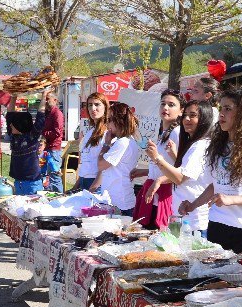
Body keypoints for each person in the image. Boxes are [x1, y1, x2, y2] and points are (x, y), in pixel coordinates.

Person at [179, 86, 242, 253]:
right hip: (217, 225)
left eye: (228, 109)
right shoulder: (217, 145)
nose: (221, 113)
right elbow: (214, 187)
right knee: (215, 278)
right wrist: (193, 205)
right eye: (221, 108)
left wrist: (232, 199)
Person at [148, 99, 213, 237]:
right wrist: (174, 156)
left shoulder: (200, 145)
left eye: (193, 115)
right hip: (183, 216)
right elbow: (186, 173)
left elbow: (179, 178)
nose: (187, 119)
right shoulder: (193, 143)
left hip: (193, 221)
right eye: (185, 115)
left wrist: (157, 158)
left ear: (205, 118)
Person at [134, 90, 183, 229]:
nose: (165, 108)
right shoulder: (164, 133)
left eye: (171, 104)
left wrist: (159, 180)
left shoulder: (177, 132)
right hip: (152, 194)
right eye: (163, 104)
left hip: (165, 195)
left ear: (181, 111)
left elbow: (182, 171)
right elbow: (161, 165)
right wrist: (143, 171)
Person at [87, 101, 140, 216]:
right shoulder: (124, 141)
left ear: (119, 121)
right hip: (117, 200)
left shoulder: (123, 142)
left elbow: (101, 165)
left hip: (120, 203)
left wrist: (106, 144)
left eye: (110, 120)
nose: (107, 124)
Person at [3, 91, 48, 195]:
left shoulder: (32, 136)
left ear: (19, 125)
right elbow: (9, 115)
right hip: (18, 182)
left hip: (33, 184)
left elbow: (40, 116)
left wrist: (44, 96)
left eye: (13, 124)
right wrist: (13, 96)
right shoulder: (14, 136)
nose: (10, 126)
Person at [76, 92, 109, 191]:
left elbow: (105, 166)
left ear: (105, 107)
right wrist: (76, 186)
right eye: (90, 105)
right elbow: (85, 162)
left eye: (97, 104)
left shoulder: (108, 133)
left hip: (96, 184)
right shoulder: (90, 132)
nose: (93, 109)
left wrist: (93, 188)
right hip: (83, 180)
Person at [41, 91, 65, 193]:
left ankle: (59, 197)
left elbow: (57, 132)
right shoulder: (49, 113)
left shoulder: (57, 113)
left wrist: (43, 133)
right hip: (48, 148)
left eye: (48, 99)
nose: (46, 101)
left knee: (55, 175)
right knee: (48, 176)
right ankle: (51, 196)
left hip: (54, 149)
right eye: (45, 99)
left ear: (55, 100)